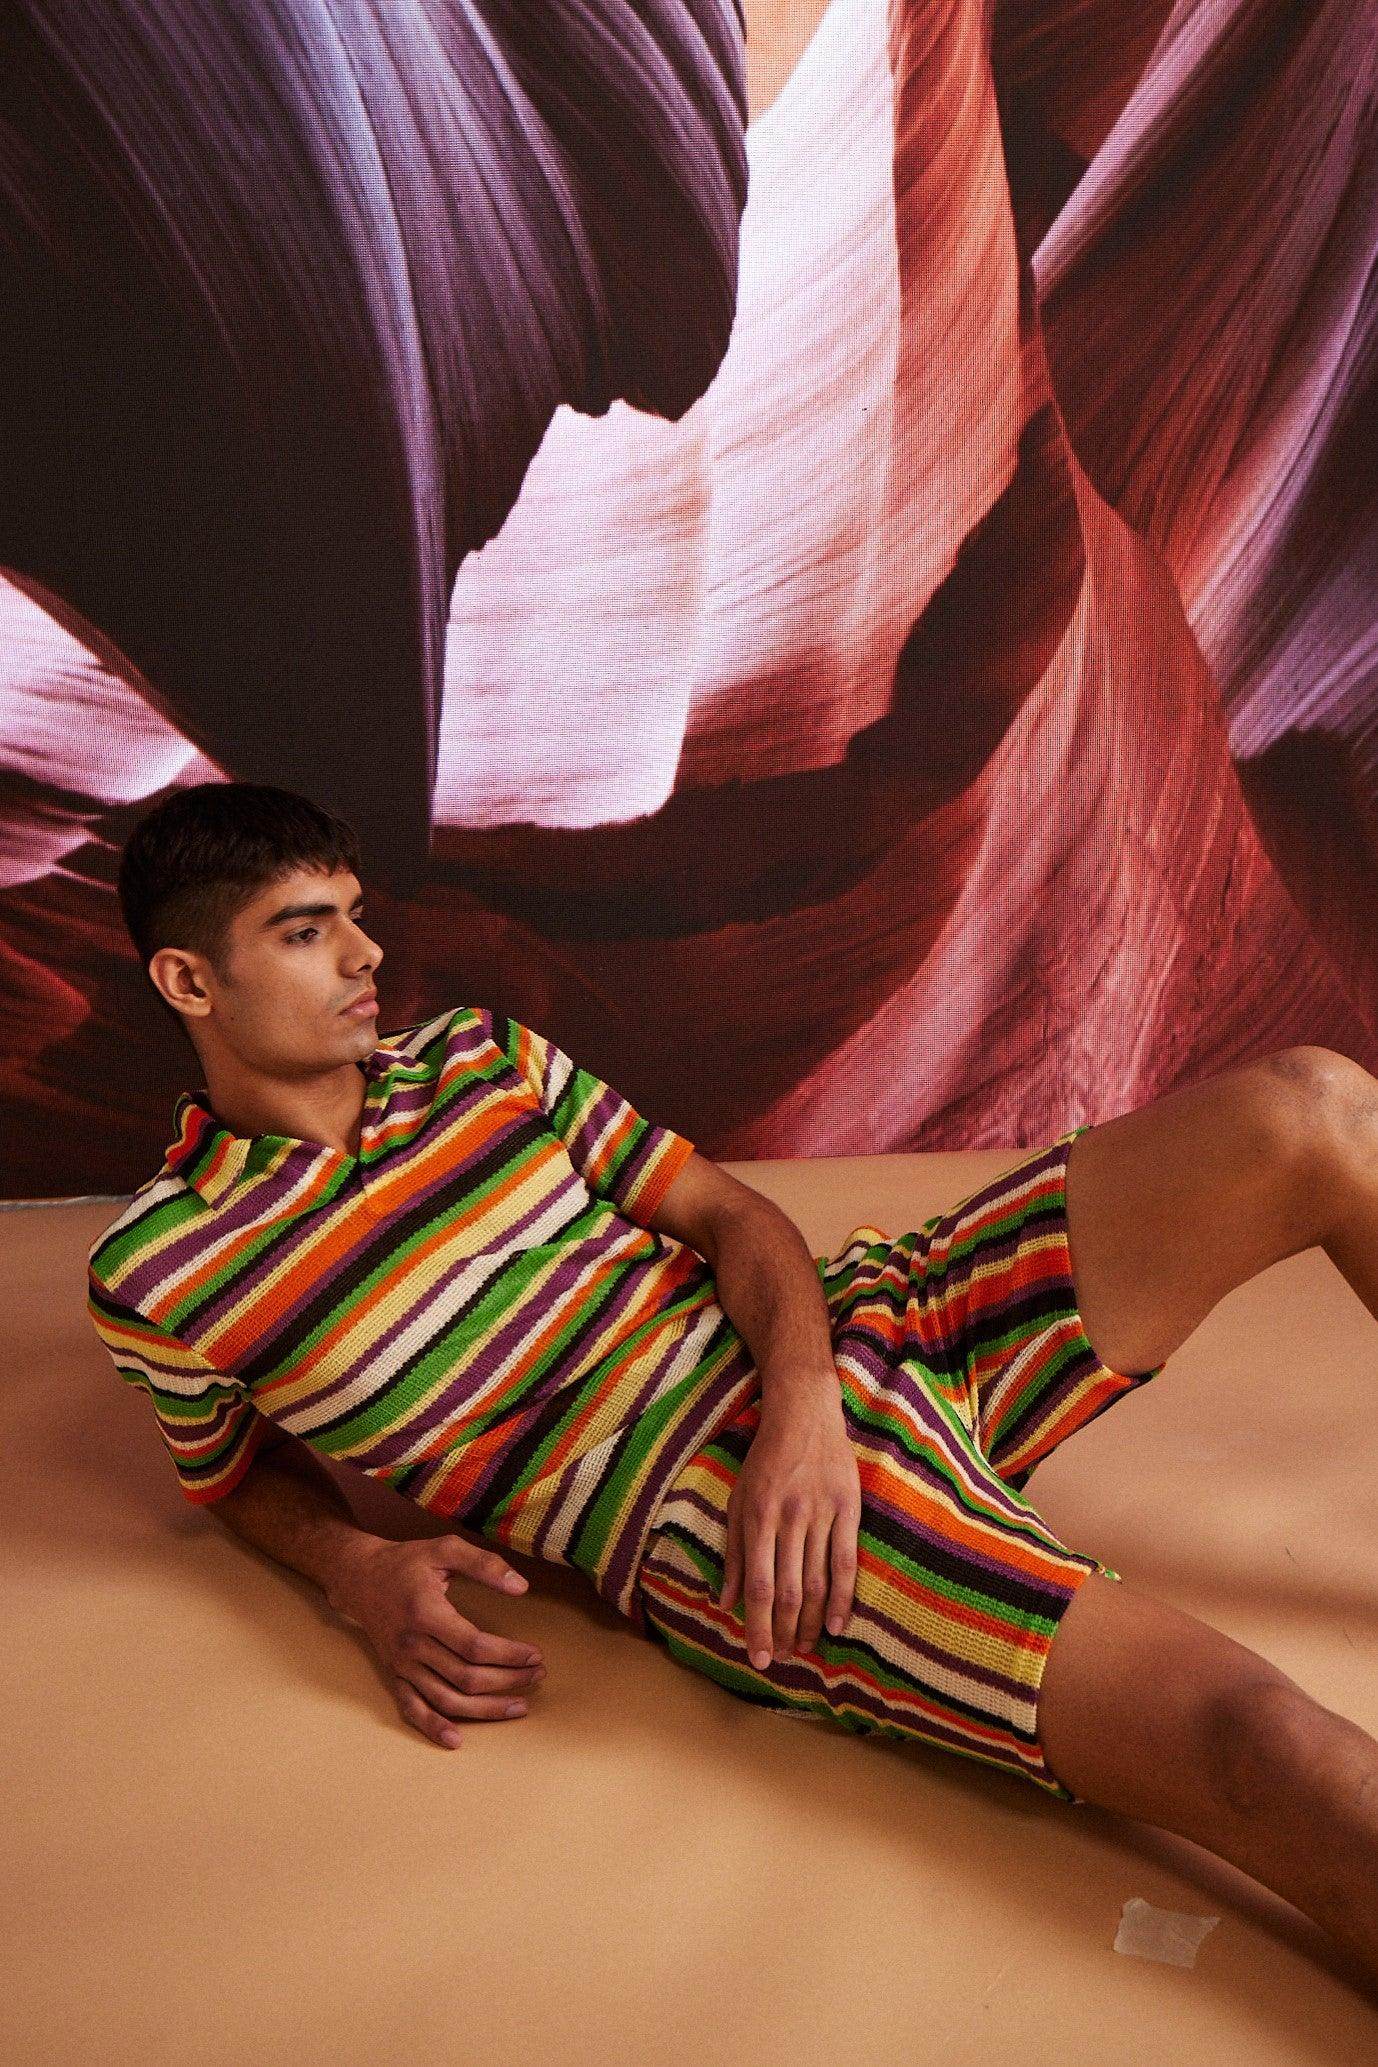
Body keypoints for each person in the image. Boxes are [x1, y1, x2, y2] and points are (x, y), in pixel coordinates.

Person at [88, 781, 1378, 1984]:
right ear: (190, 979)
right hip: (707, 1513)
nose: (367, 956)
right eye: (307, 932)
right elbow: (232, 1475)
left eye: (356, 915)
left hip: (848, 1328)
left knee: (1312, 1106)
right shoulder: (163, 1270)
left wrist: (804, 1408)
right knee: (1262, 1744)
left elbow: (728, 1214)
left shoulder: (478, 1057)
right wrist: (355, 1570)